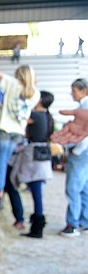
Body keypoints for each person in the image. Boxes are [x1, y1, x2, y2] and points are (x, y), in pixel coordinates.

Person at [6, 91, 55, 238]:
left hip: (33, 156)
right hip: (42, 155)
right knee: (37, 191)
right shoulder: (47, 116)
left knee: (17, 183)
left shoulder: (35, 116)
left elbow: (18, 119)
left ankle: (34, 227)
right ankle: (36, 225)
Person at [0, 66, 38, 212]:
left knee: (0, 162)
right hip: (18, 132)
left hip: (4, 128)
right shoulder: (35, 93)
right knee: (4, 162)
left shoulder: (11, 83)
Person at [60, 78, 88, 236]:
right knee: (84, 187)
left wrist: (75, 151)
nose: (72, 93)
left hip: (82, 151)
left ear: (83, 90)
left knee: (73, 188)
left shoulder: (85, 106)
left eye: (74, 90)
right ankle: (84, 221)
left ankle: (72, 224)